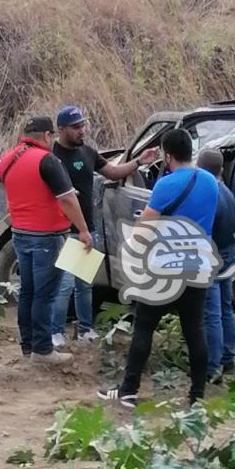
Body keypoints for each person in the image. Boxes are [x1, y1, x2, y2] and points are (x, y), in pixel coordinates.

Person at [98, 128, 218, 408]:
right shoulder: (210, 181)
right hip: (198, 265)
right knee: (194, 330)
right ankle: (197, 395)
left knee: (144, 327)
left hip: (165, 267)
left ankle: (129, 390)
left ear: (168, 156)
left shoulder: (166, 185)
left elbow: (144, 229)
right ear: (191, 151)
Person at [50, 105, 159, 348]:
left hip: (88, 229)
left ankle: (85, 330)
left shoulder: (87, 152)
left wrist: (139, 161)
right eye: (76, 127)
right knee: (64, 285)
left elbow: (112, 172)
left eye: (83, 125)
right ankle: (55, 332)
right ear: (61, 129)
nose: (82, 131)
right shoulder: (51, 155)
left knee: (84, 284)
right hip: (62, 231)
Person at [0, 116, 92, 366]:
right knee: (45, 295)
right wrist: (83, 230)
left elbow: (30, 190)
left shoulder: (7, 160)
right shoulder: (47, 160)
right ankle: (43, 350)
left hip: (20, 234)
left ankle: (28, 345)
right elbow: (67, 200)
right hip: (46, 236)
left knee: (27, 292)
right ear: (48, 135)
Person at [196, 148, 235, 383]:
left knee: (210, 315)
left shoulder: (209, 196)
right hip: (228, 257)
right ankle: (228, 358)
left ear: (200, 170)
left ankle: (212, 367)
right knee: (225, 310)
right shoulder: (228, 194)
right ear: (221, 169)